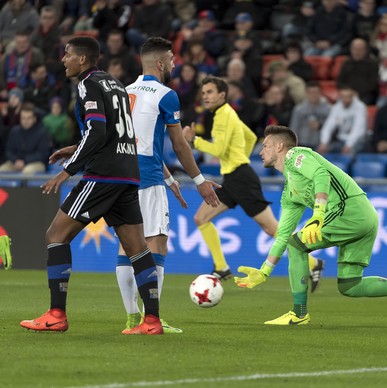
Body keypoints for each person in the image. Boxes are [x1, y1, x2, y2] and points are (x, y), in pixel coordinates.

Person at [19, 36, 163, 335]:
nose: (64, 59)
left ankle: (56, 314)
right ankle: (151, 321)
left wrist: (67, 171)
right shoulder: (115, 84)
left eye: (68, 54)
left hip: (103, 175)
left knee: (55, 235)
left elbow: (97, 131)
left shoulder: (87, 85)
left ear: (82, 59)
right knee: (137, 248)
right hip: (128, 172)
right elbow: (114, 131)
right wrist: (75, 147)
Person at [233, 125, 387, 326]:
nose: (260, 152)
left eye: (265, 146)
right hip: (364, 217)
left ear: (279, 147)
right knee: (350, 286)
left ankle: (299, 313)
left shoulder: (295, 155)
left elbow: (321, 174)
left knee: (297, 245)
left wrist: (318, 213)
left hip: (348, 210)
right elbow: (282, 235)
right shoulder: (290, 192)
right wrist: (264, 271)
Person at [116, 37, 221, 334]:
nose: (175, 64)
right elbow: (178, 144)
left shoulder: (124, 93)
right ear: (160, 64)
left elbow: (135, 142)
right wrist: (199, 181)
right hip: (147, 181)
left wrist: (171, 178)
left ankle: (130, 318)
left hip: (122, 179)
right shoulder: (166, 95)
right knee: (156, 243)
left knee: (127, 247)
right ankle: (152, 319)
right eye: (173, 60)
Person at [183, 76, 324, 290]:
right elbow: (249, 136)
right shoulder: (229, 113)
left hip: (241, 178)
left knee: (273, 229)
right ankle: (221, 267)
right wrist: (239, 155)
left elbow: (219, 150)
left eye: (210, 92)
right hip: (232, 177)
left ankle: (313, 263)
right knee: (201, 218)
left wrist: (194, 141)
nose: (205, 96)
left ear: (222, 94)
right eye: (203, 93)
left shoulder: (222, 116)